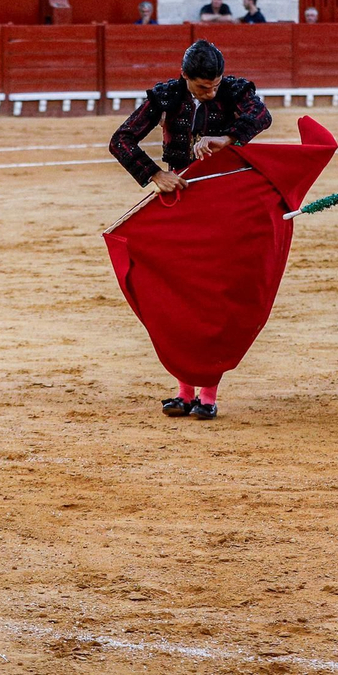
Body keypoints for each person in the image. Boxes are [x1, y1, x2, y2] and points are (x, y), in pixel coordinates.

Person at [108, 39, 272, 420]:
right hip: (180, 202)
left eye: (214, 85)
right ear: (185, 78)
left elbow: (261, 117)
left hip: (224, 200)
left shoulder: (235, 91)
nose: (210, 92)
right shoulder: (166, 96)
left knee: (215, 294)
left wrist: (227, 138)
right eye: (202, 88)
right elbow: (121, 140)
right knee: (178, 293)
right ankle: (183, 391)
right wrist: (155, 174)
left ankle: (209, 394)